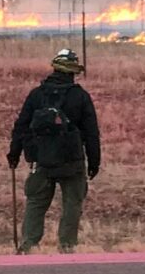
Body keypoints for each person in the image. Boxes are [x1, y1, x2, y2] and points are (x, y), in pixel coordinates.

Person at [8, 47, 102, 253]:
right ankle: (66, 246)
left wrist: (14, 154)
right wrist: (94, 162)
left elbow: (21, 126)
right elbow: (91, 133)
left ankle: (29, 245)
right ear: (73, 72)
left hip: (42, 160)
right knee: (72, 205)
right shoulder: (80, 97)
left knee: (36, 203)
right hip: (72, 162)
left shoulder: (36, 95)